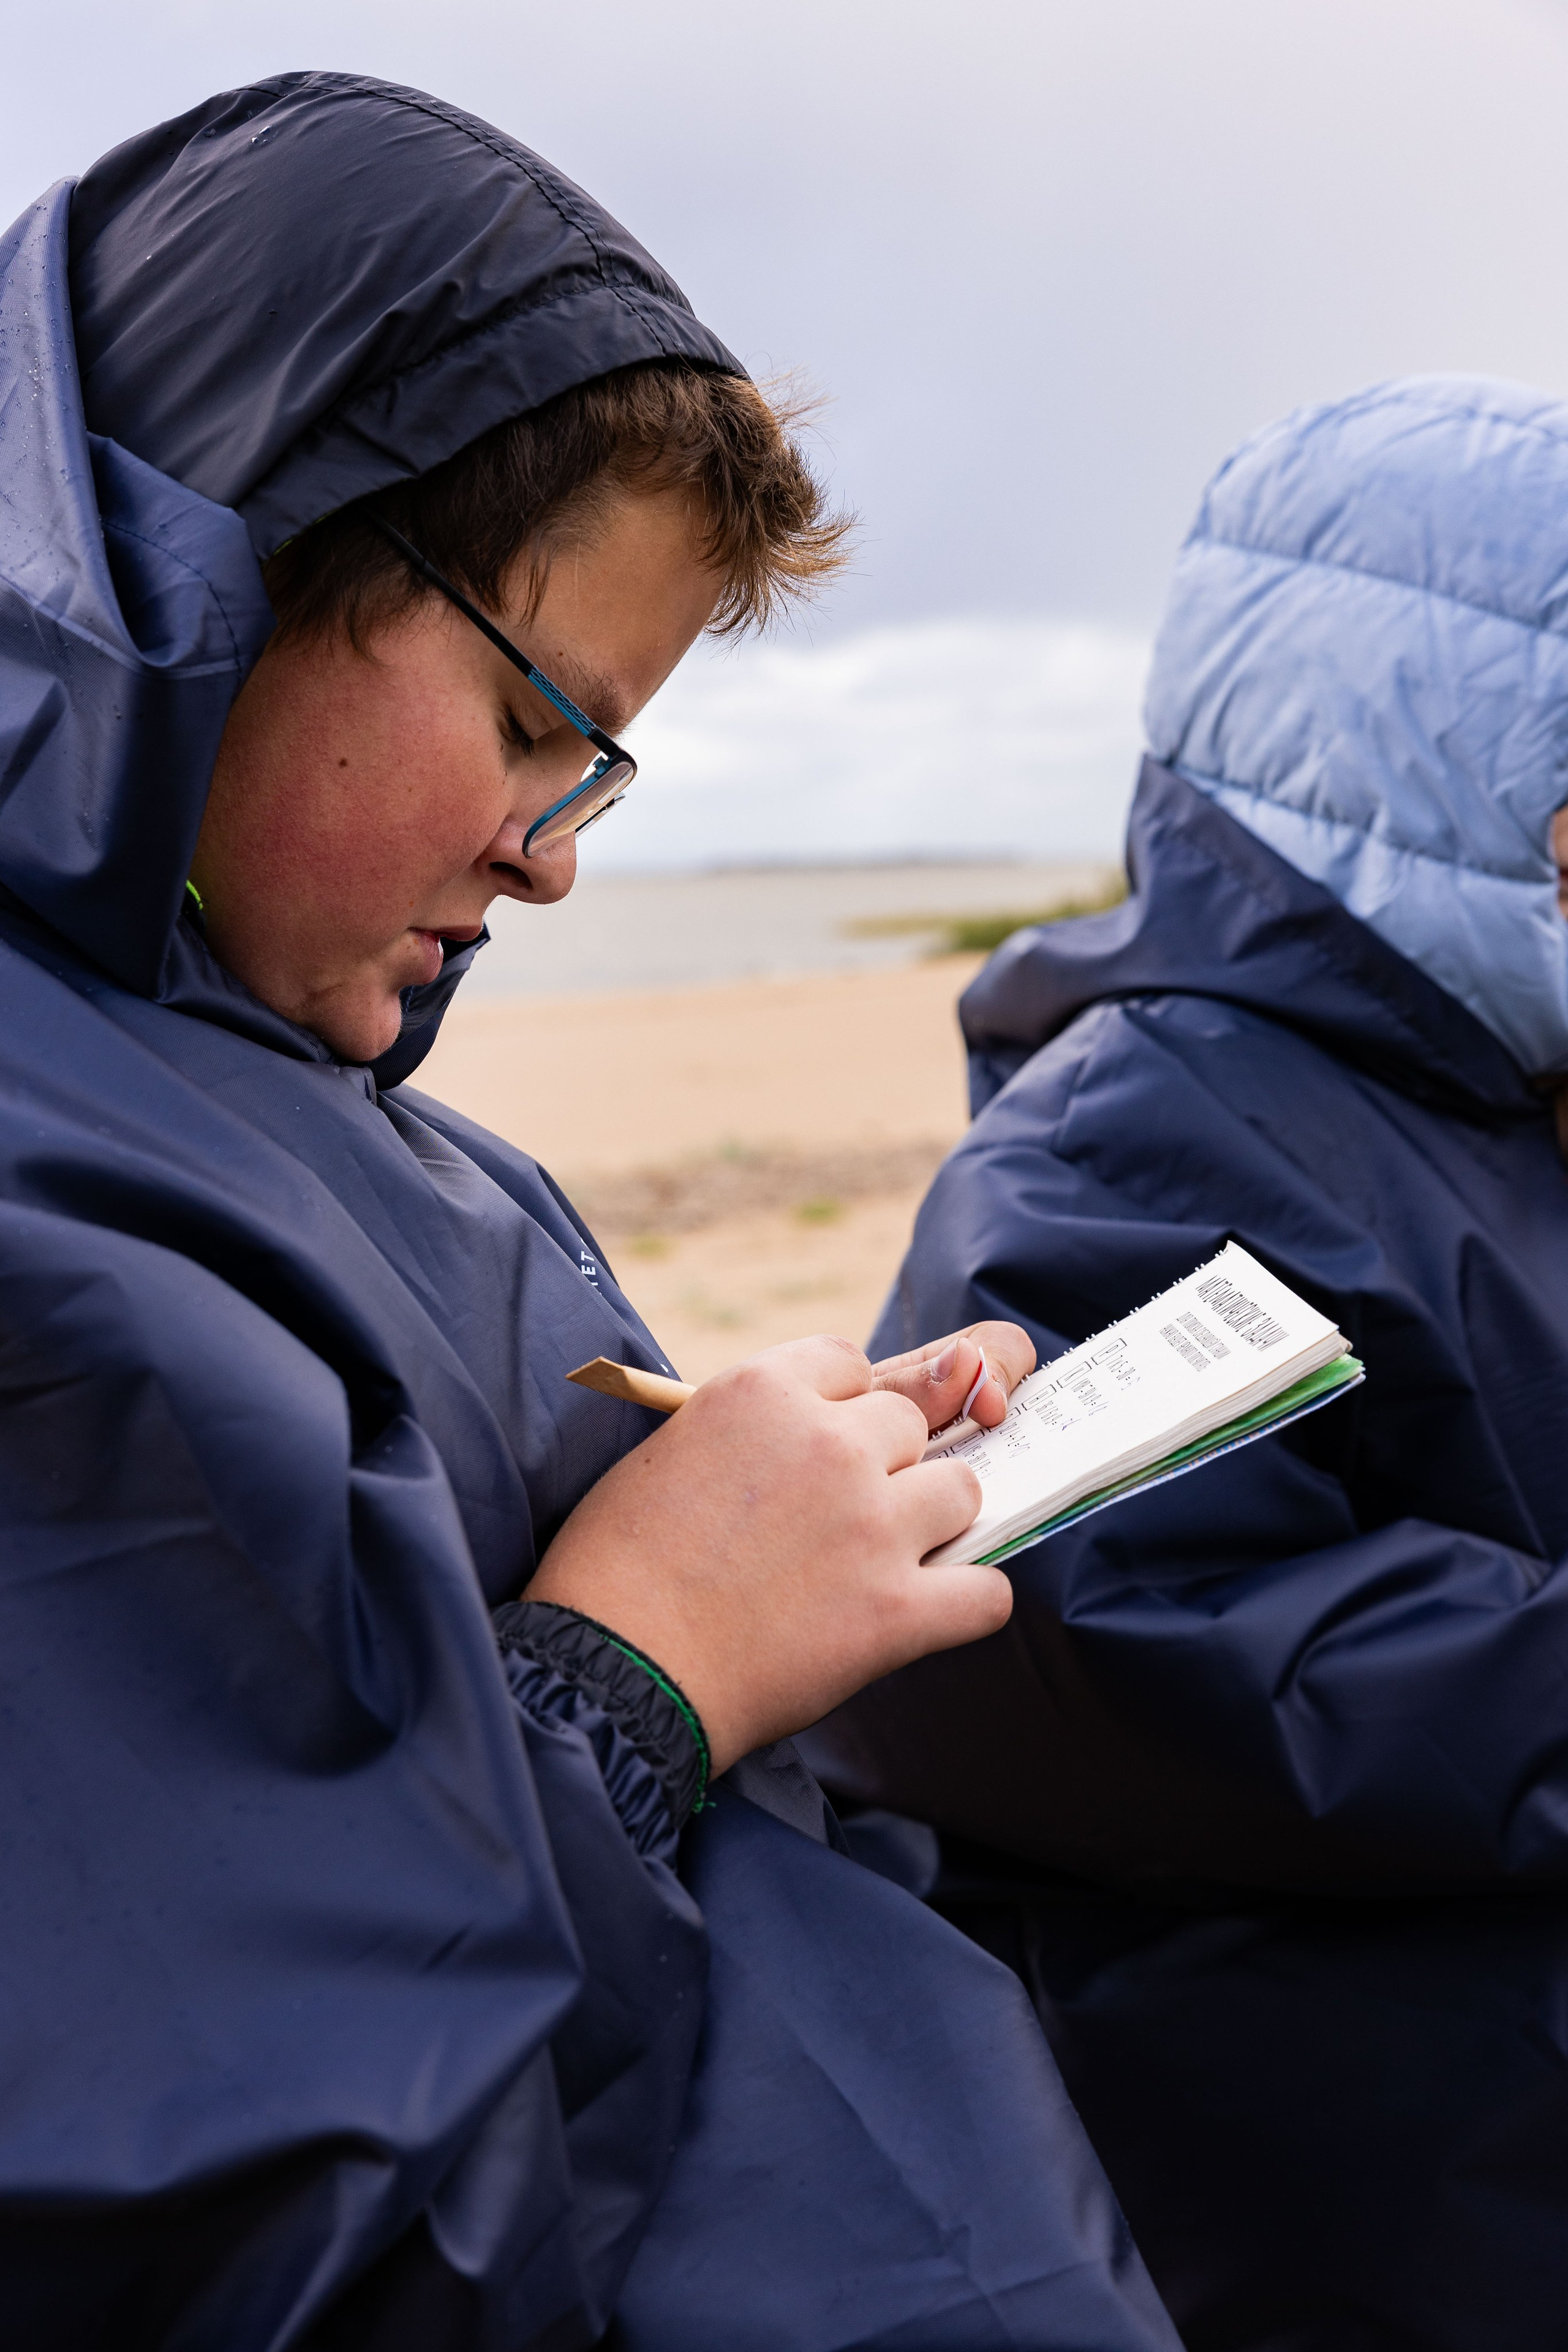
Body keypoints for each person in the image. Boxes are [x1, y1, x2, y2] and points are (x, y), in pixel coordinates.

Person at [0, 69, 1189, 2352]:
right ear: (235, 561)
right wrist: (639, 1676)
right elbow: (234, 2208)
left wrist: (780, 1494)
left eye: (599, 767)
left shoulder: (358, 1117)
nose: (552, 857)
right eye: (532, 716)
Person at [802, 373, 1568, 2351]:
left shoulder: (1503, 1099)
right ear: (1440, 774)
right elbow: (1107, 1607)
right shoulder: (1143, 1134)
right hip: (1354, 2193)